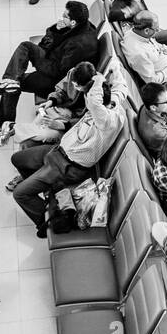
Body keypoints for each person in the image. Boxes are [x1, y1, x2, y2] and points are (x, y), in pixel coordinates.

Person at [11, 68, 127, 236]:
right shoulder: (110, 101)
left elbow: (94, 103)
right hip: (57, 152)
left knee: (19, 194)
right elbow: (121, 83)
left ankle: (44, 222)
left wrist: (98, 80)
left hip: (67, 167)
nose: (86, 102)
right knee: (18, 159)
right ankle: (46, 188)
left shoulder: (107, 120)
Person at [0, 0, 96, 143]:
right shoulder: (84, 26)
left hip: (55, 79)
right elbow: (49, 40)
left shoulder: (78, 46)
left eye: (65, 16)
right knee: (24, 50)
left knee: (16, 83)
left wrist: (39, 63)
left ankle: (2, 122)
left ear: (73, 22)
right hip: (56, 60)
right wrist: (57, 29)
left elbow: (59, 72)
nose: (61, 17)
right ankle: (10, 81)